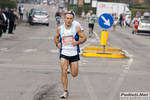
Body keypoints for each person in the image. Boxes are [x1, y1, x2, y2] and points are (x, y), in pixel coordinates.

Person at [54, 11, 87, 98]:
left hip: (74, 53)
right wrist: (57, 44)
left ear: (73, 19)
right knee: (64, 71)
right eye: (67, 18)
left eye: (70, 19)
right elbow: (55, 37)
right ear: (64, 19)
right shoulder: (60, 29)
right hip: (64, 53)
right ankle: (65, 91)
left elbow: (84, 37)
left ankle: (70, 65)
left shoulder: (76, 28)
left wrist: (77, 42)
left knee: (74, 74)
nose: (69, 20)